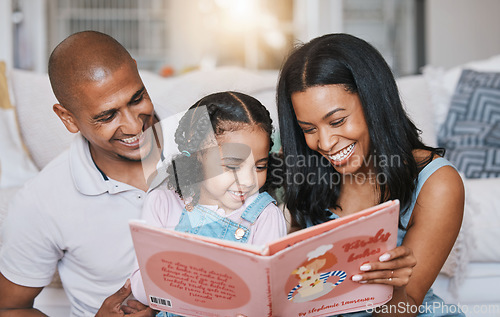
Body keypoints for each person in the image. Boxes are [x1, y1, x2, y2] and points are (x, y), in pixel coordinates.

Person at [276, 33, 465, 316]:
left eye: (337, 121)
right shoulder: (309, 169)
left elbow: (406, 304)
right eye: (309, 129)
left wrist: (393, 284)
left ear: (374, 102)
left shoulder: (437, 183)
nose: (325, 143)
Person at [0, 31, 167, 316]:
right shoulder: (40, 202)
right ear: (68, 118)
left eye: (137, 98)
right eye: (108, 116)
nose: (134, 125)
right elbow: (9, 308)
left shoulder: (197, 137)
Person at [130, 91, 288, 314]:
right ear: (197, 155)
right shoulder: (162, 203)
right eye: (232, 166)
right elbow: (140, 287)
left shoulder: (265, 215)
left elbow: (271, 295)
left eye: (259, 166)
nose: (247, 180)